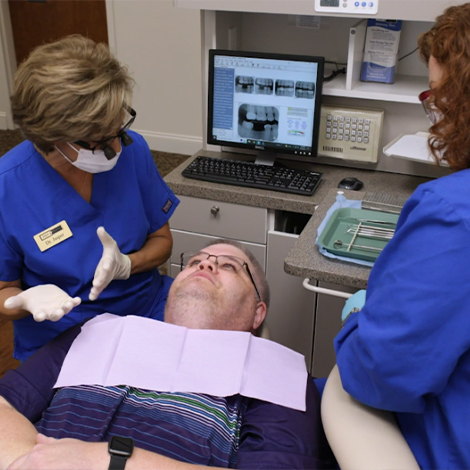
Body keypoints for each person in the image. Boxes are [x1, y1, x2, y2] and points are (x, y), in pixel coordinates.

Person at [0, 239, 335, 470]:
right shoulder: (96, 331)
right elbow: (5, 404)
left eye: (230, 266)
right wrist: (28, 460)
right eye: (195, 261)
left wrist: (108, 461)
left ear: (257, 313)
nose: (206, 263)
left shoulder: (276, 374)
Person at [334, 4, 470, 469]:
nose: (437, 114)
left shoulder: (452, 211)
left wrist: (357, 323)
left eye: (440, 96)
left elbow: (382, 372)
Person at [0, 35, 179, 361]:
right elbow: (3, 292)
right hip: (63, 337)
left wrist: (128, 265)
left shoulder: (132, 151)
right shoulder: (7, 187)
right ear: (53, 137)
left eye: (118, 130)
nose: (116, 147)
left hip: (145, 310)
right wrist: (25, 301)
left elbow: (162, 241)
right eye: (100, 139)